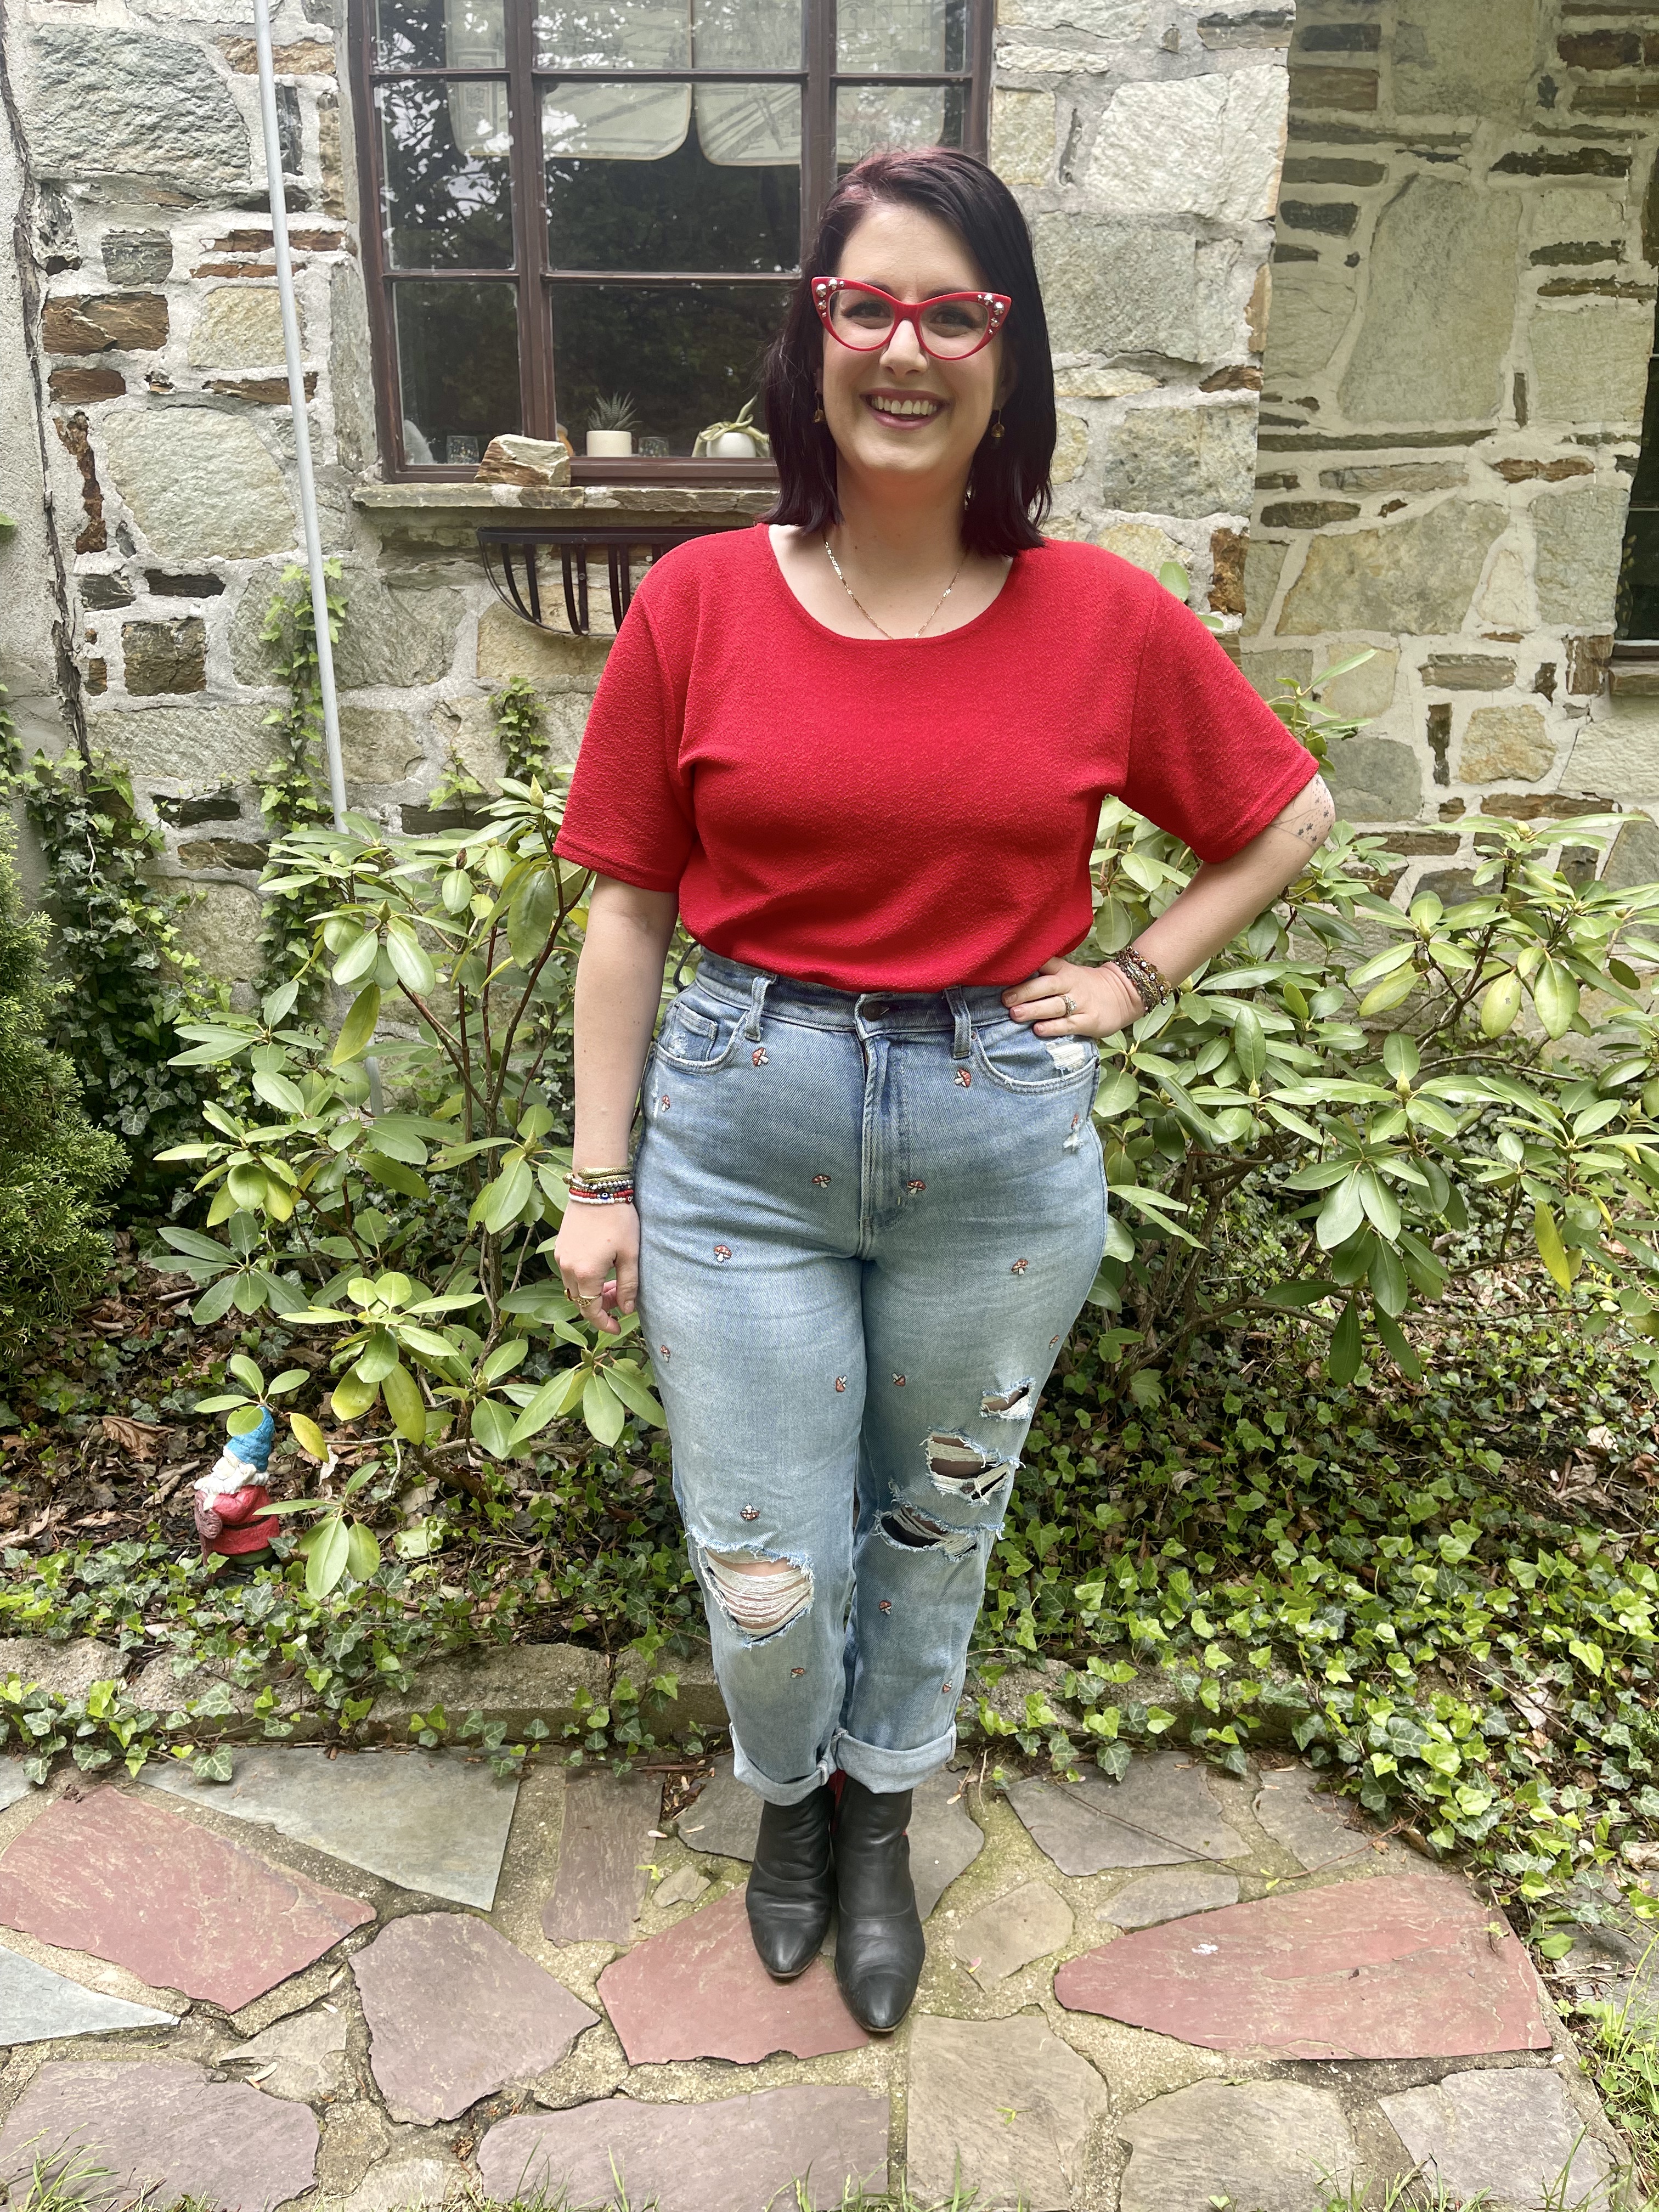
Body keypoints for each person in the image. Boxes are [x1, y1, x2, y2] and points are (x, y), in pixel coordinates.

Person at [552, 145, 1334, 2034]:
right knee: (762, 1546)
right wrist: (598, 1180)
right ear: (813, 334)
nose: (907, 350)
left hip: (994, 1142)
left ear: (1007, 352)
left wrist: (1137, 975)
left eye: (955, 314)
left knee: (936, 1518)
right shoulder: (698, 602)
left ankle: (882, 1813)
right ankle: (789, 1803)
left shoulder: (1102, 618)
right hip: (740, 1135)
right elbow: (629, 910)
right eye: (869, 306)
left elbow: (1286, 814)